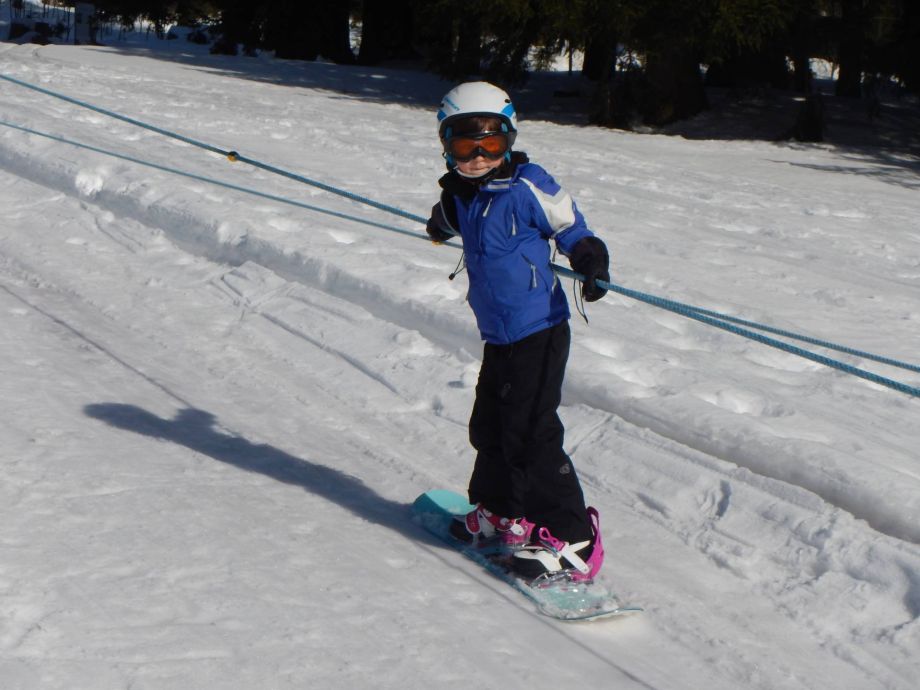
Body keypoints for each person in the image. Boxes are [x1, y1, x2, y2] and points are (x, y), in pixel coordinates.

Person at [425, 81, 611, 582]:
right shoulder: (462, 194)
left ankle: (574, 537)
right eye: (466, 144)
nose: (479, 156)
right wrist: (439, 223)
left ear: (509, 140)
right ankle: (502, 512)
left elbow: (571, 227)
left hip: (539, 330)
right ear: (446, 145)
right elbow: (450, 216)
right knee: (490, 425)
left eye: (490, 142)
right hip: (498, 335)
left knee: (531, 433)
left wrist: (590, 259)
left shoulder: (528, 185)